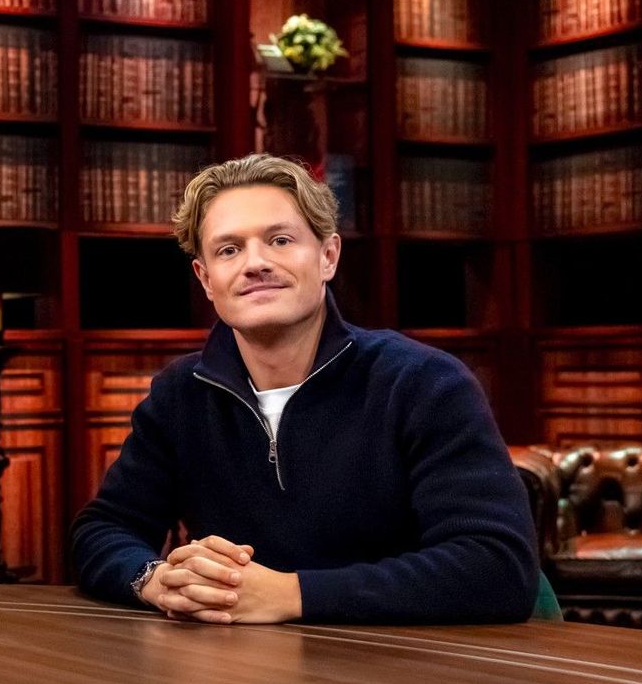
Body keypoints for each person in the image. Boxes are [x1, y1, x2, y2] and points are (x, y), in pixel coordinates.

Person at [69, 153, 538, 624]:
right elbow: (101, 529)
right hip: (235, 660)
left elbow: (497, 567)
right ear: (206, 279)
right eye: (229, 250)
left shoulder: (424, 383)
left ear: (328, 256)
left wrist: (291, 594)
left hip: (404, 658)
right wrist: (156, 580)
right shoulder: (180, 393)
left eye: (280, 240)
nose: (255, 263)